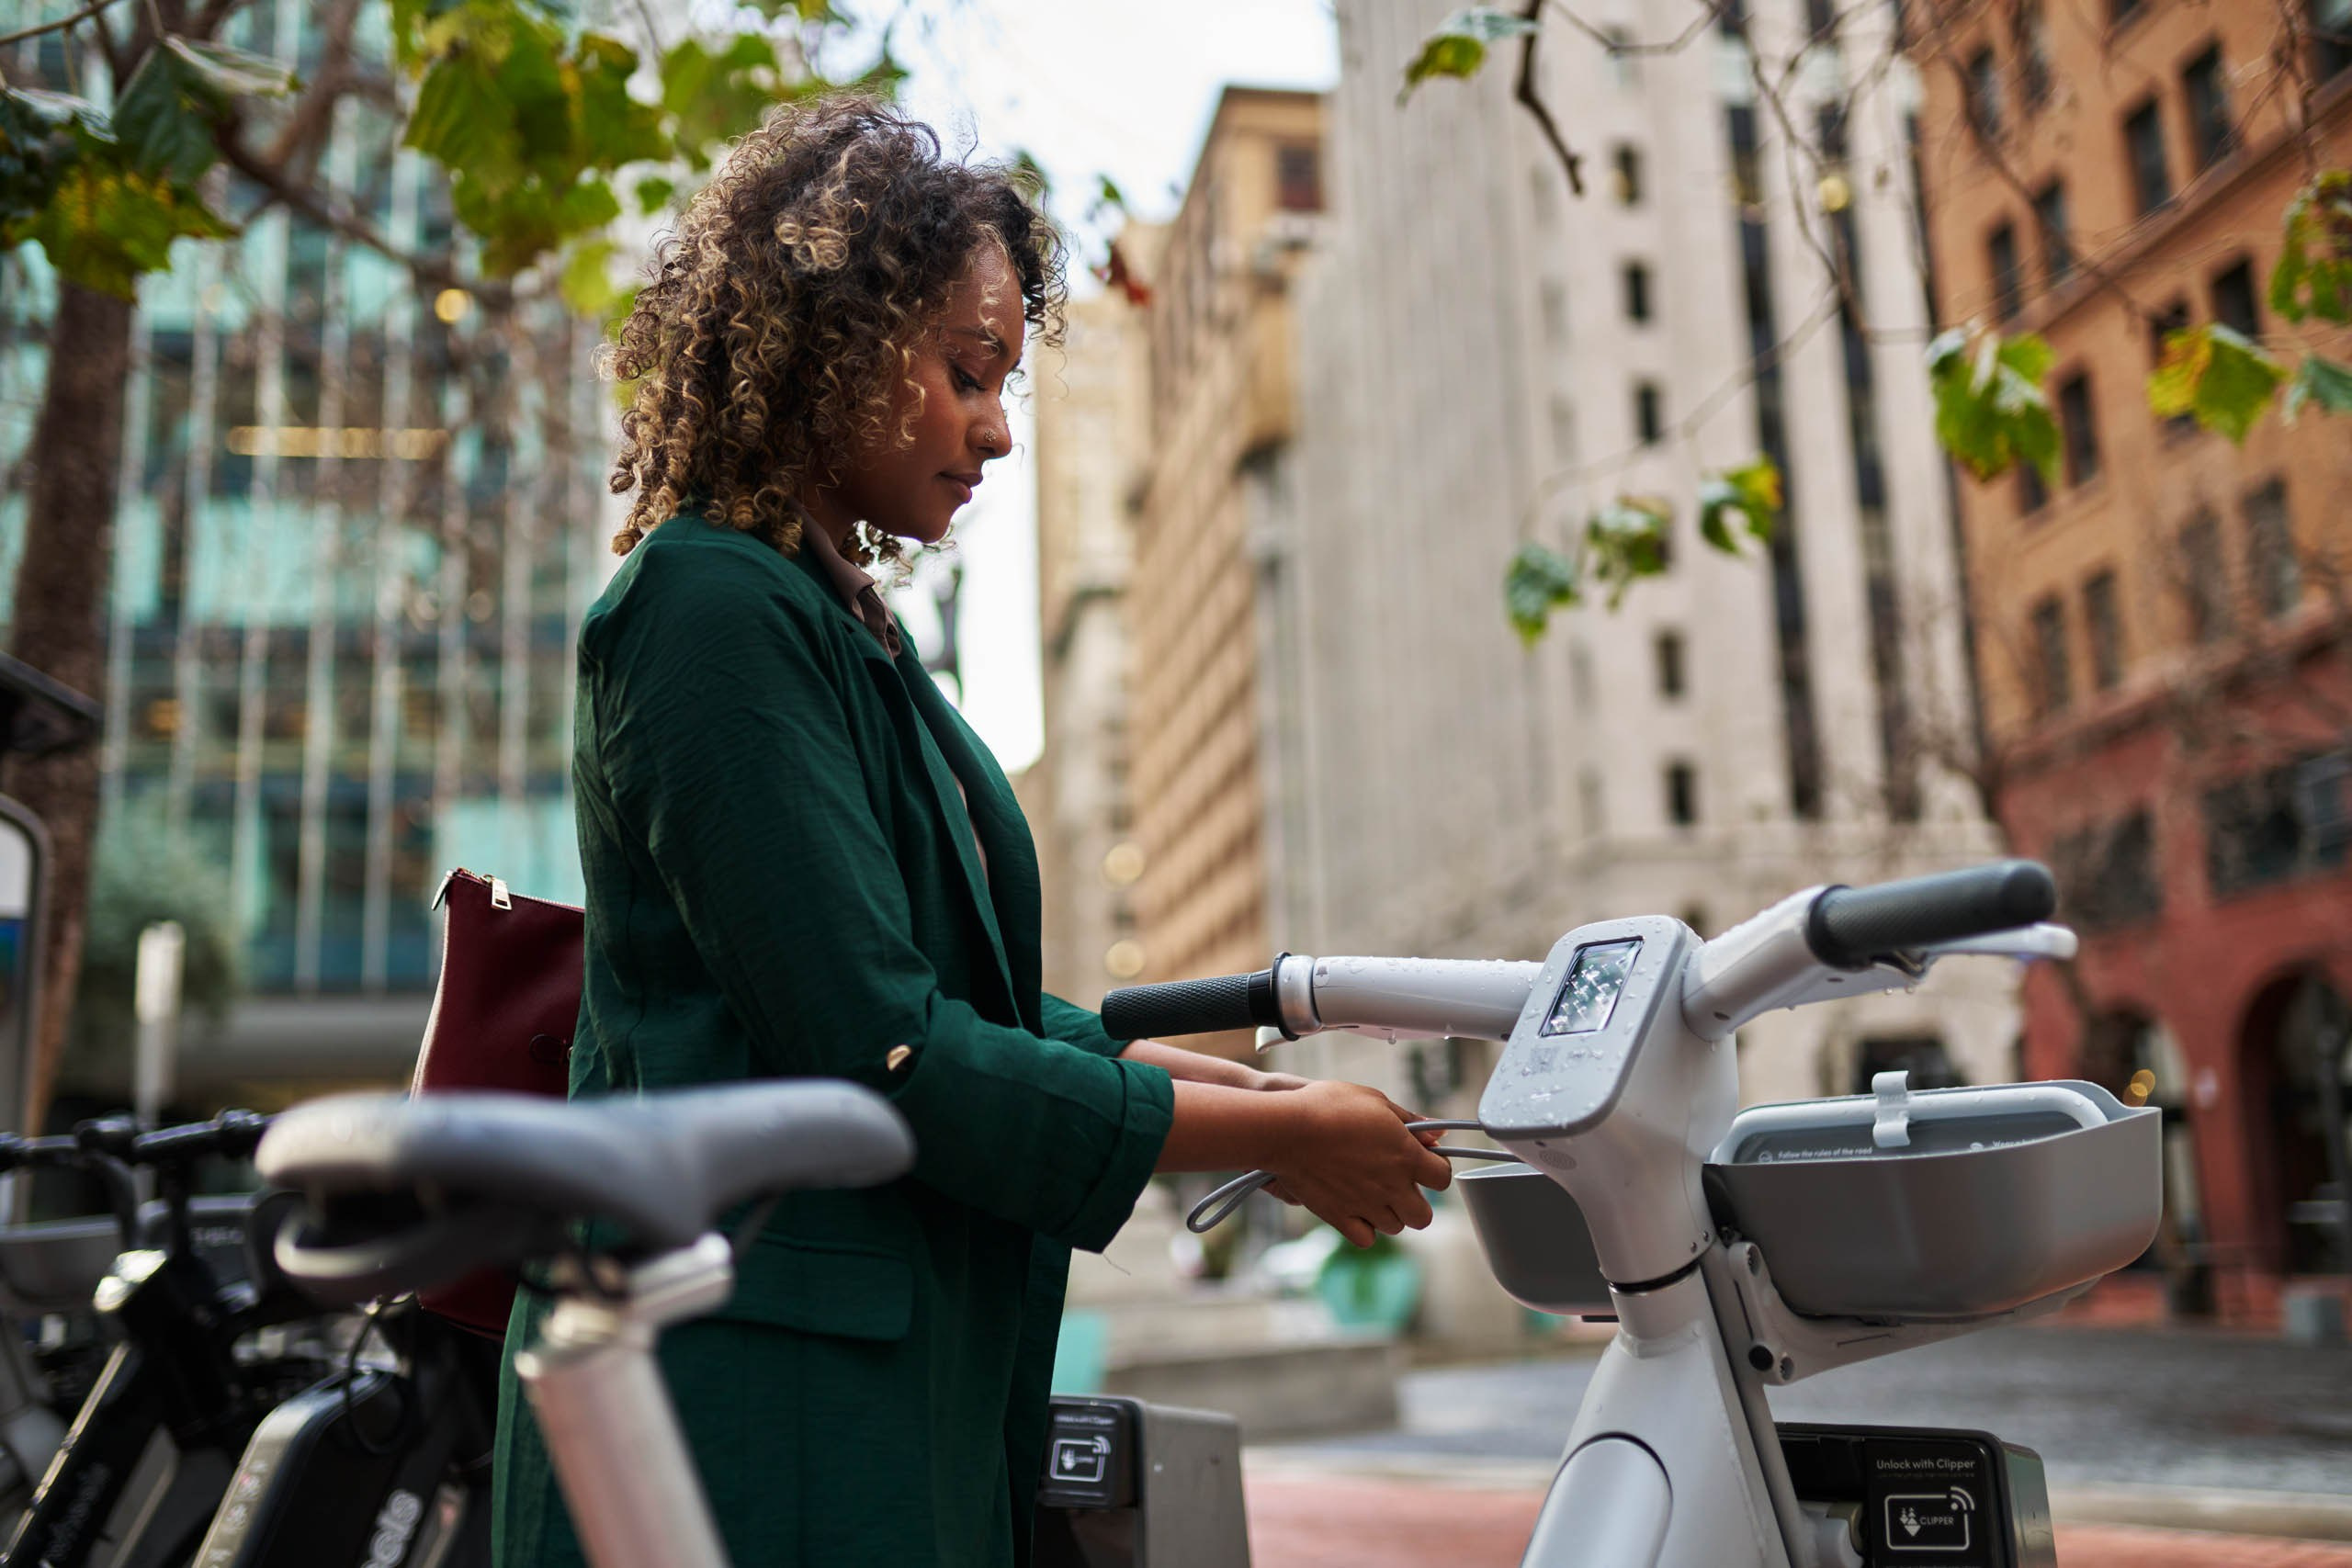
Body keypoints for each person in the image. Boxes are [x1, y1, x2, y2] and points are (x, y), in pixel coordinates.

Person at [491, 96, 1453, 1568]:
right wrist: (1264, 1133)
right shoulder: (703, 611)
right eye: (967, 372)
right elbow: (880, 1047)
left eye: (1003, 380)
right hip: (743, 1427)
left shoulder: (832, 620)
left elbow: (932, 998)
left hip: (870, 1396)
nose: (998, 431)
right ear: (827, 345)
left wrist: (1159, 1062)